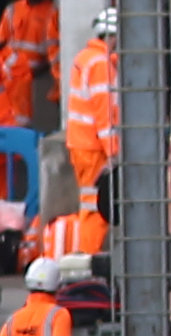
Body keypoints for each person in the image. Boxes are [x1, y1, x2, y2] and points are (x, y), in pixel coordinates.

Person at [65, 10, 119, 219]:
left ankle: (84, 251)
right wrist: (113, 150)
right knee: (95, 209)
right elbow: (104, 113)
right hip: (93, 147)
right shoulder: (100, 64)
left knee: (89, 206)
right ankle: (86, 251)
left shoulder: (86, 57)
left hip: (83, 145)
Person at [0, 0, 60, 126]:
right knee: (15, 120)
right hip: (12, 78)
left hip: (42, 79)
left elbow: (56, 47)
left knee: (39, 124)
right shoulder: (12, 9)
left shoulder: (53, 11)